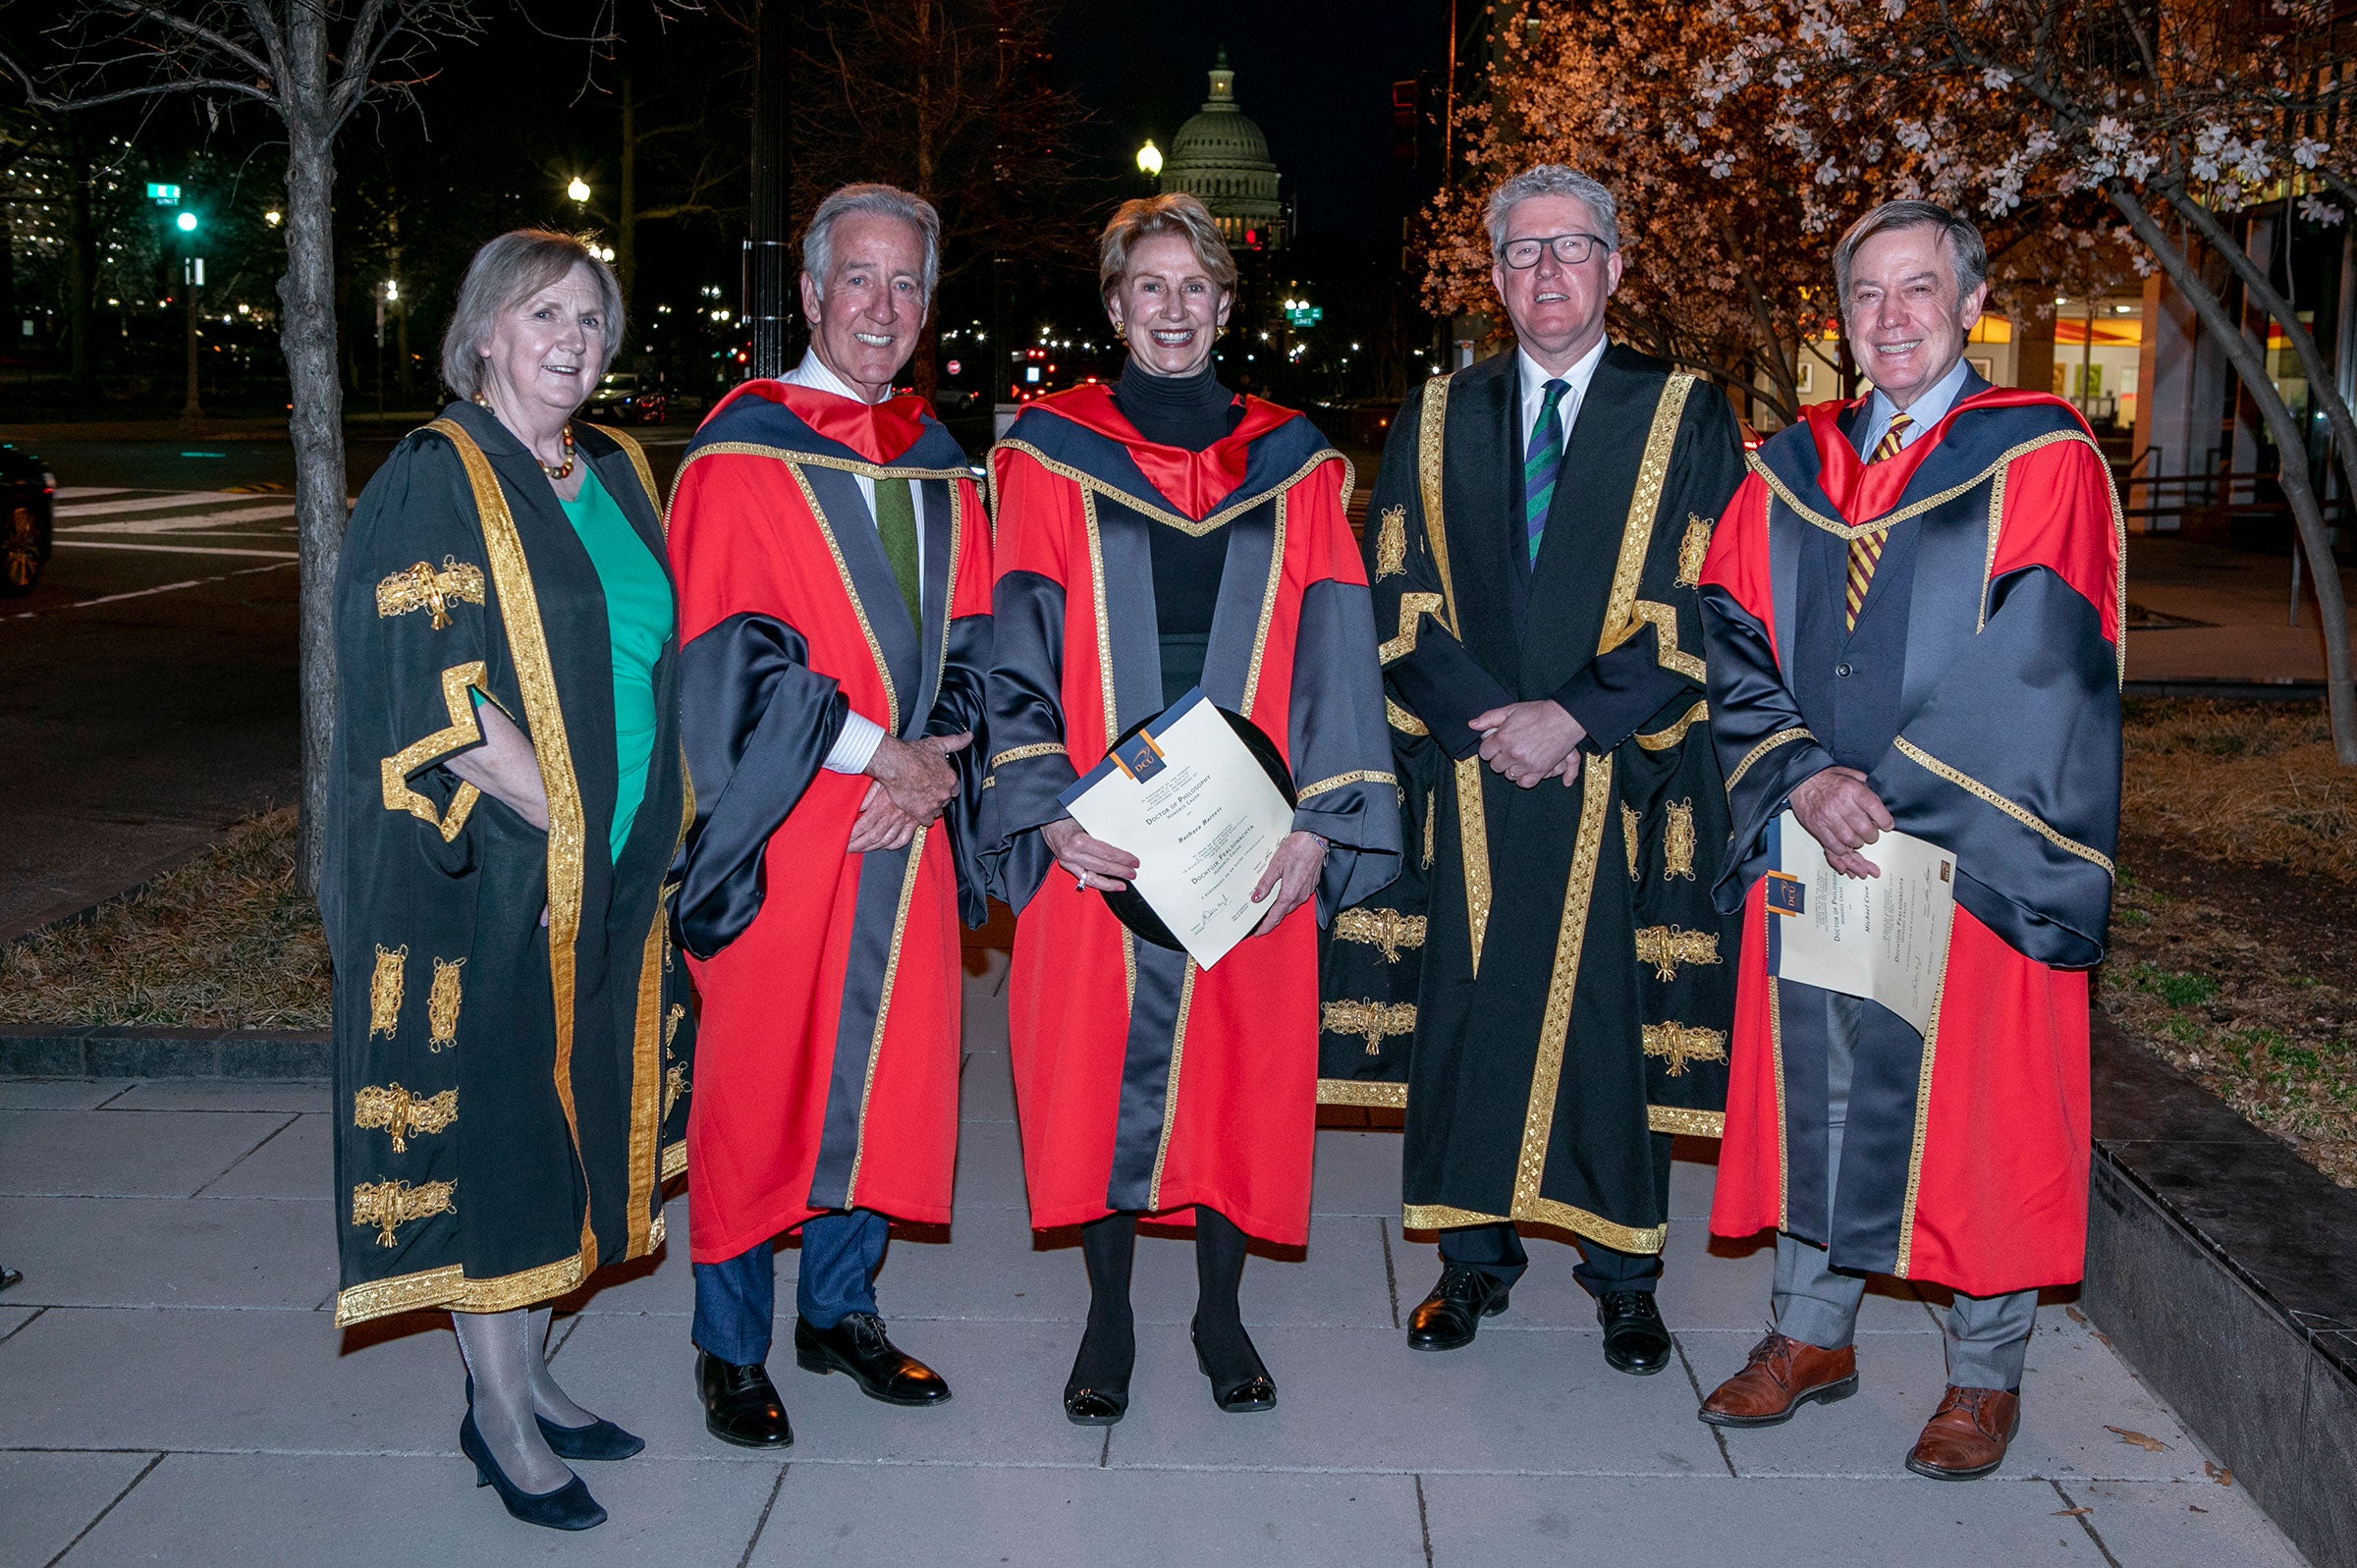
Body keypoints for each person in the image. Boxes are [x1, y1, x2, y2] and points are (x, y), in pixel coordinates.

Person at [1694, 200, 2122, 1480]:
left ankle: (1983, 1375)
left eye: (1917, 289)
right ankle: (1810, 1332)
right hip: (1815, 840)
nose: (1891, 317)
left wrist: (1897, 797)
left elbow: (2049, 649)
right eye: (1869, 294)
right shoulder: (1785, 469)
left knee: (1980, 1099)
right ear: (1844, 317)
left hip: (1971, 847)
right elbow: (1730, 626)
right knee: (1818, 1078)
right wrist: (1799, 776)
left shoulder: (2037, 455)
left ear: (1969, 303)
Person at [983, 193, 1398, 1425]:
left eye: (1194, 287)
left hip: (1250, 822)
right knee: (1090, 1063)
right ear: (1115, 307)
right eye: (1147, 288)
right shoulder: (1048, 450)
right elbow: (1014, 632)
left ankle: (1220, 1313)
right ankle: (1108, 1316)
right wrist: (1043, 804)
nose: (1172, 309)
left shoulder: (1298, 461)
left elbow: (1335, 639)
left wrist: (1324, 820)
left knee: (1242, 1065)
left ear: (1227, 304)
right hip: (1099, 824)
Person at [324, 230, 694, 1532]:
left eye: (592, 317)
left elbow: (657, 650)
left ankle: (531, 1369)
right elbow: (443, 698)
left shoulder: (616, 471)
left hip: (618, 864)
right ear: (482, 332)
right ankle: (496, 1414)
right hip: (502, 872)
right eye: (544, 313)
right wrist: (564, 831)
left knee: (570, 1118)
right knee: (498, 1130)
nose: (573, 339)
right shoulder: (441, 472)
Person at [1358, 164, 1745, 1375]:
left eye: (1572, 249)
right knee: (1470, 1009)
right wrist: (1492, 719)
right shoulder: (1432, 415)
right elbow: (1392, 588)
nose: (1547, 274)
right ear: (1495, 275)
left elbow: (1709, 596)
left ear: (1616, 267)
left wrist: (1573, 718)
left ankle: (1625, 1274)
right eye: (1523, 254)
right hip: (1473, 775)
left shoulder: (1683, 411)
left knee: (1609, 1024)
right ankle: (1470, 1262)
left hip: (1619, 776)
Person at [667, 184, 993, 1452]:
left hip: (902, 834)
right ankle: (731, 1344)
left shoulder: (935, 458)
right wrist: (884, 762)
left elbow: (979, 637)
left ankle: (840, 1310)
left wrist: (941, 764)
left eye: (906, 285)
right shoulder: (740, 452)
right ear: (808, 295)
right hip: (789, 825)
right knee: (761, 1081)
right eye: (858, 279)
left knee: (885, 1073)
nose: (883, 306)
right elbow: (733, 665)